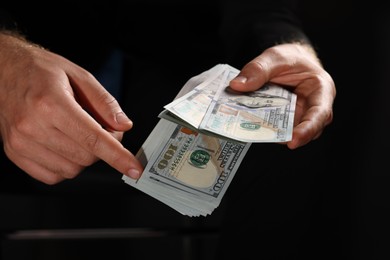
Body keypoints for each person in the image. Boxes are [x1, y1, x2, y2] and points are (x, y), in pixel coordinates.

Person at [0, 0, 336, 259]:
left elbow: (258, 9)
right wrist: (7, 60)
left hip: (165, 57)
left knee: (295, 135)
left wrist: (287, 41)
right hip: (21, 50)